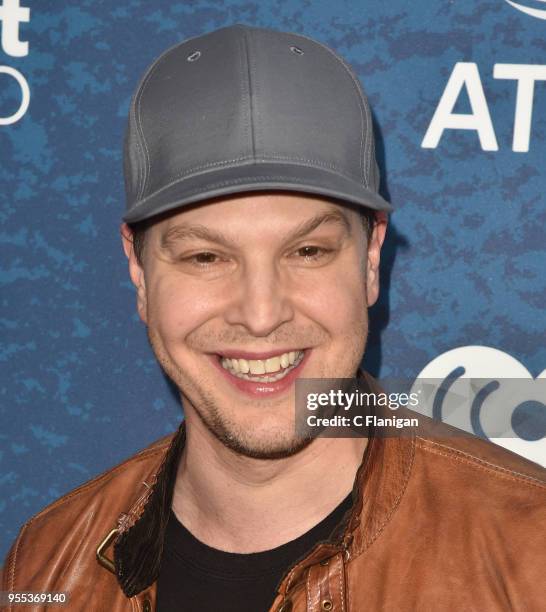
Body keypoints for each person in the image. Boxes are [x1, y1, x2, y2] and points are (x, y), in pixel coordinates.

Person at [2, 24, 545, 612]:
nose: (260, 316)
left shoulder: (530, 554)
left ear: (369, 260)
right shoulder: (47, 565)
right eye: (206, 257)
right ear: (137, 268)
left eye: (307, 251)